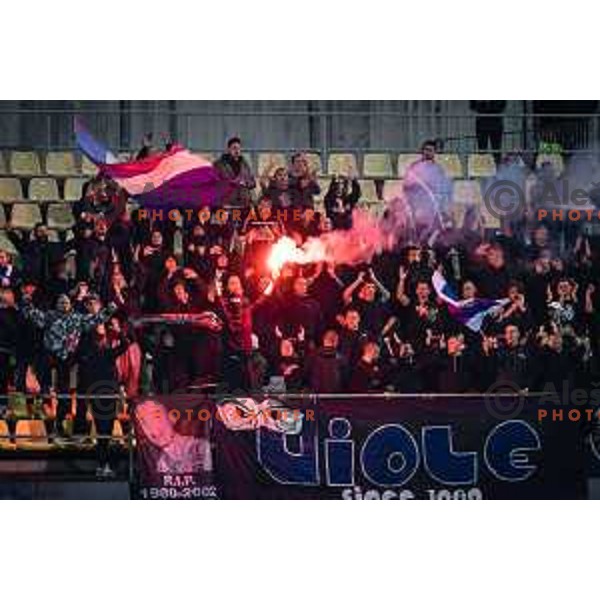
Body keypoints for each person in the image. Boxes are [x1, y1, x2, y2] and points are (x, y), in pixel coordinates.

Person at [213, 137, 256, 209]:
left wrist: (245, 183)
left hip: (244, 203)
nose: (237, 151)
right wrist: (229, 183)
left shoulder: (245, 165)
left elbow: (253, 183)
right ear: (228, 149)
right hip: (227, 203)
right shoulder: (219, 164)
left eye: (239, 148)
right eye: (234, 148)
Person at [470, 101, 507, 165]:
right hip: (485, 122)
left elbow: (502, 105)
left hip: (492, 122)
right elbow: (473, 105)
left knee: (495, 151)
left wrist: (485, 105)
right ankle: (486, 170)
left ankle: (496, 170)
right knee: (484, 151)